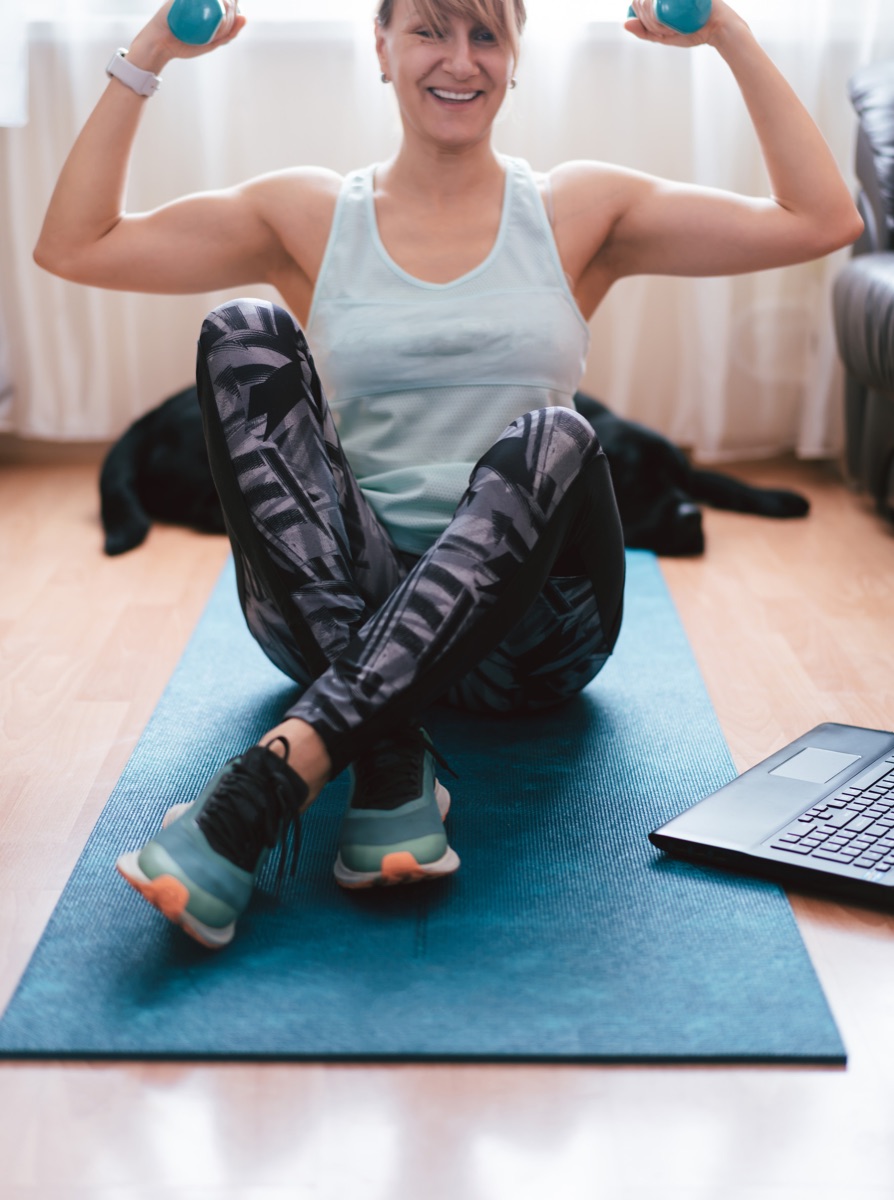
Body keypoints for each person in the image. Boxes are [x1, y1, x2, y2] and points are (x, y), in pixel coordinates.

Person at [35, 0, 862, 949]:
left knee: (556, 433)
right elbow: (75, 245)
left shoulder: (577, 208)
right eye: (430, 30)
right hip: (332, 615)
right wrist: (150, 55)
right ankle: (387, 748)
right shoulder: (308, 213)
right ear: (380, 48)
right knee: (243, 335)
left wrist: (727, 32)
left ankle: (273, 782)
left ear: (515, 59)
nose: (458, 60)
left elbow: (820, 218)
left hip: (530, 645)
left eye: (485, 35)